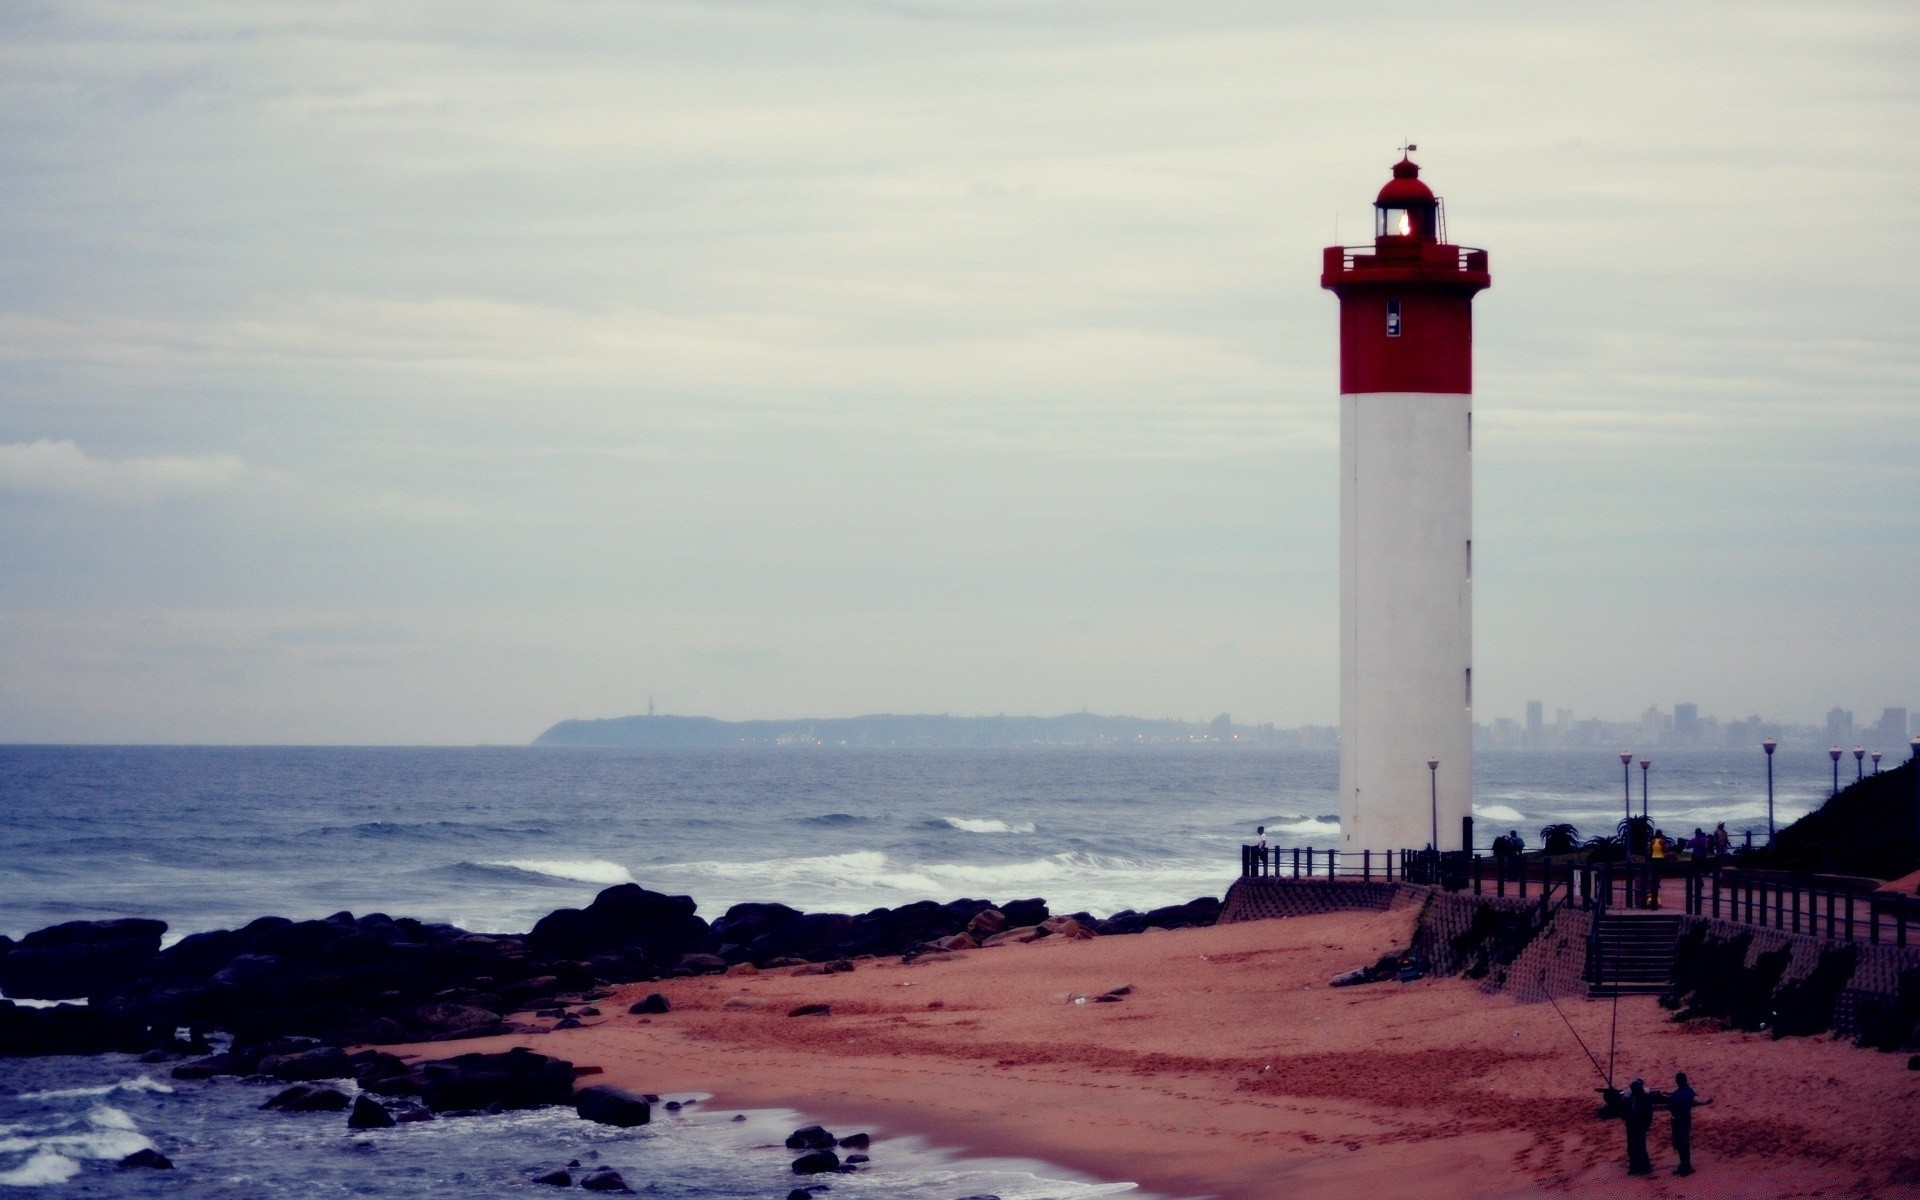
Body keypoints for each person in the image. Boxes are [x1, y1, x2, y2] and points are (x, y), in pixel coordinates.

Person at [1665, 1071, 1711, 1176]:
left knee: (1683, 1143)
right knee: (1678, 1142)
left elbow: (1681, 1103)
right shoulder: (1682, 1091)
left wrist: (1673, 1100)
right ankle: (1683, 1164)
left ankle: (1687, 1166)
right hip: (1677, 1119)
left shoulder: (1686, 1091)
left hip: (1683, 1120)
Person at [1622, 1078, 1656, 1175]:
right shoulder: (1634, 1097)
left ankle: (1644, 1168)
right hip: (1632, 1125)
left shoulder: (1643, 1098)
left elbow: (1644, 1114)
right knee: (1632, 1147)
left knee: (1639, 1147)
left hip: (1639, 1125)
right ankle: (1635, 1167)